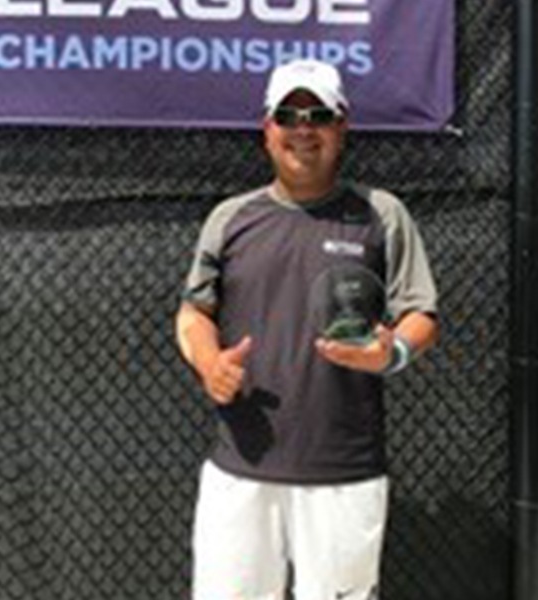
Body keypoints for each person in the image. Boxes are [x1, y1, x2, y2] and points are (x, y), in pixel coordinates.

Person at [176, 58, 439, 600]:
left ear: (342, 127)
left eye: (318, 115)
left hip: (344, 474)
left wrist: (391, 353)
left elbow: (421, 315)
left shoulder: (382, 214)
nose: (303, 130)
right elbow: (194, 312)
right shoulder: (230, 218)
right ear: (266, 128)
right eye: (288, 116)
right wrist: (209, 363)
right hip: (240, 470)